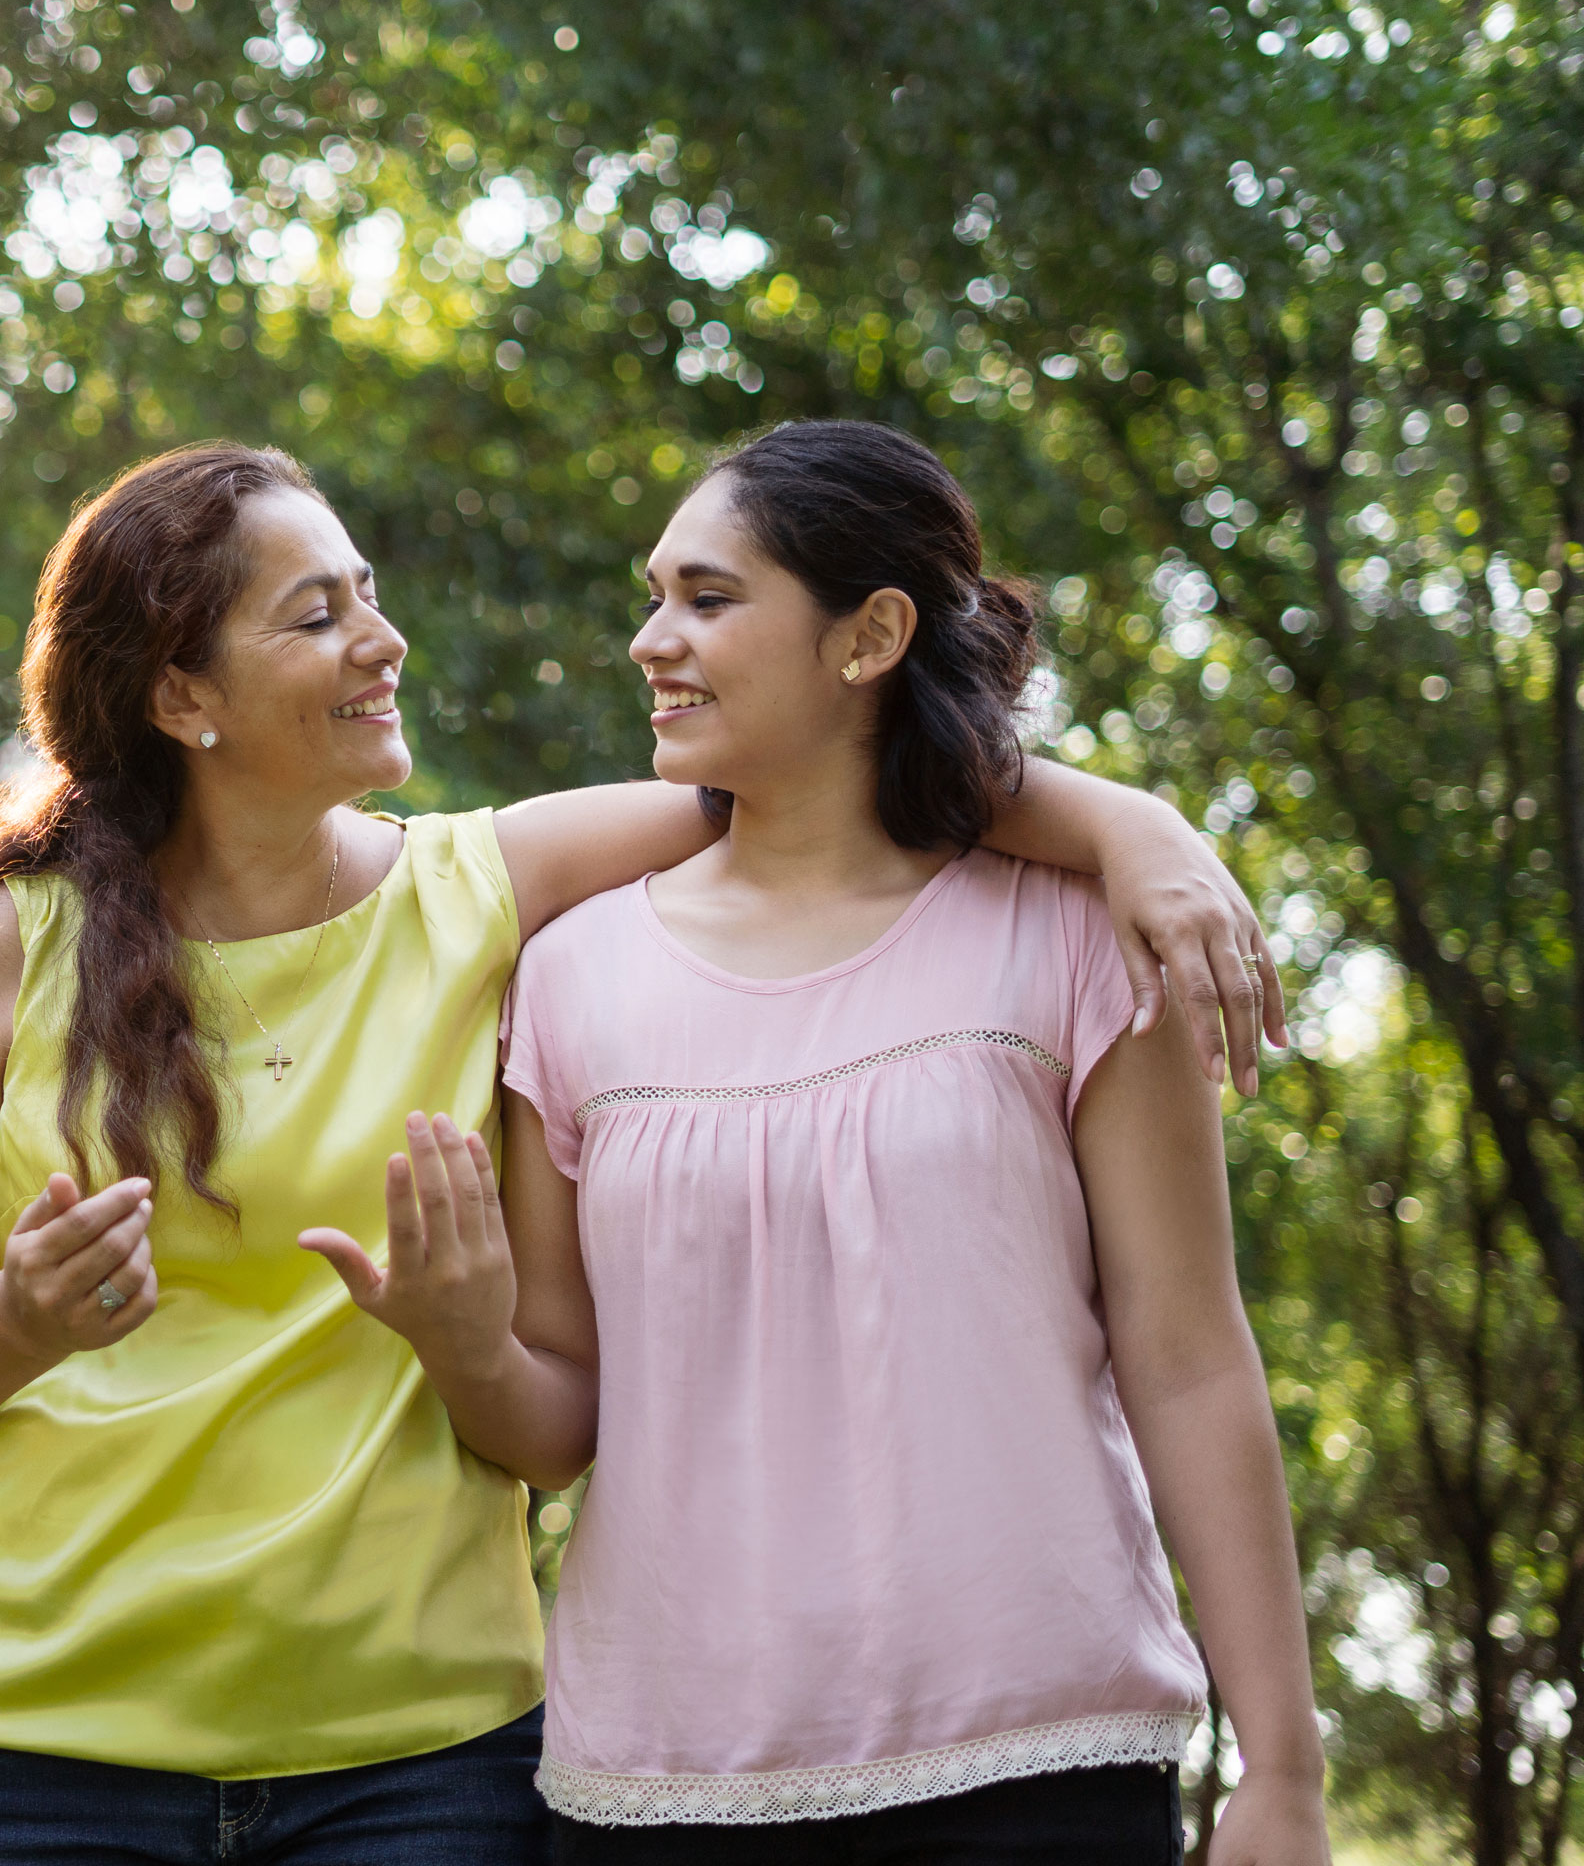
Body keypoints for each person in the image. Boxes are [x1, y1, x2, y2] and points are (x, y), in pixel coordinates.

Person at [0, 440, 1283, 1866]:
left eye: (366, 591)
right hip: (32, 1759)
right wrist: (19, 1318)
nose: (380, 640)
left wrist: (1126, 825)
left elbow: (826, 771)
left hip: (416, 1764)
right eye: (316, 615)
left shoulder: (486, 896)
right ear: (182, 693)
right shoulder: (13, 955)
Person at [330, 420, 1325, 1865]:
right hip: (658, 1796)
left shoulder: (1077, 934)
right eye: (655, 595)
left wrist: (1280, 1772)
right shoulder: (570, 974)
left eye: (708, 599)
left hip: (1042, 1776)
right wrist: (460, 1341)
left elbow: (1187, 1358)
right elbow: (563, 1422)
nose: (649, 640)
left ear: (870, 637)